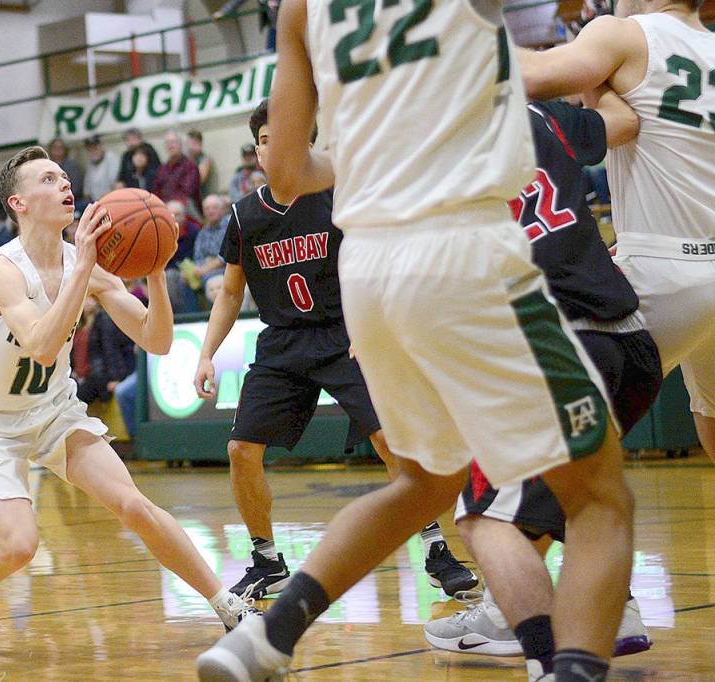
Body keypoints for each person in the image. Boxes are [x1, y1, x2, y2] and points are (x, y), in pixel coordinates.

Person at [198, 1, 636, 681]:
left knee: (425, 483)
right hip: (465, 250)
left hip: (369, 271)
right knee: (602, 497)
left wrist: (382, 152)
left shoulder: (301, 8)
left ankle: (264, 637)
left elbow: (286, 172)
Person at [0, 145, 258, 656]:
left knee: (133, 505)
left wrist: (157, 272)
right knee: (19, 545)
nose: (64, 184)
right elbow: (44, 343)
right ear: (18, 202)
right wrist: (84, 270)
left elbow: (157, 340)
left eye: (64, 177)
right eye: (48, 179)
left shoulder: (85, 266)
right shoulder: (2, 271)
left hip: (53, 410)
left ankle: (227, 604)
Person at [193, 100, 476, 602]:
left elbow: (379, 261)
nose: (269, 147)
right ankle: (266, 560)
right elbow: (233, 291)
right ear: (257, 152)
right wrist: (206, 354)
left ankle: (435, 547)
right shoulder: (243, 216)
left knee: (392, 441)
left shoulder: (336, 195)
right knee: (240, 452)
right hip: (281, 342)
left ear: (305, 143)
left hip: (344, 334)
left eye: (279, 136)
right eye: (261, 140)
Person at [423, 98, 661, 680]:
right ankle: (619, 613)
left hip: (561, 342)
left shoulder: (428, 139)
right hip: (631, 342)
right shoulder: (540, 111)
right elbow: (625, 122)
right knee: (581, 498)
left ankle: (544, 659)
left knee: (483, 517)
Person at [516, 0, 715, 463]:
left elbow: (533, 76)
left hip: (664, 270)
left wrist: (456, 41)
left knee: (548, 446)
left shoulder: (622, 35)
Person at [154, 130, 202, 214]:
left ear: (181, 144)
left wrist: (168, 205)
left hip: (185, 209)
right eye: (167, 143)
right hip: (164, 208)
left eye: (173, 142)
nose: (170, 145)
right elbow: (156, 192)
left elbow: (187, 191)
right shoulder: (161, 169)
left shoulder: (190, 166)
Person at [84, 134, 121, 201]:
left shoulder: (111, 158)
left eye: (95, 148)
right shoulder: (90, 163)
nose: (93, 151)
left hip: (111, 200)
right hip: (95, 201)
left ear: (101, 147)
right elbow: (87, 190)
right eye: (90, 149)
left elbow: (114, 184)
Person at [186, 130, 215, 196]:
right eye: (188, 143)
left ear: (200, 144)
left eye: (193, 143)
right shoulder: (187, 160)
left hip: (205, 197)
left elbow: (197, 181)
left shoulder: (205, 160)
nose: (190, 147)